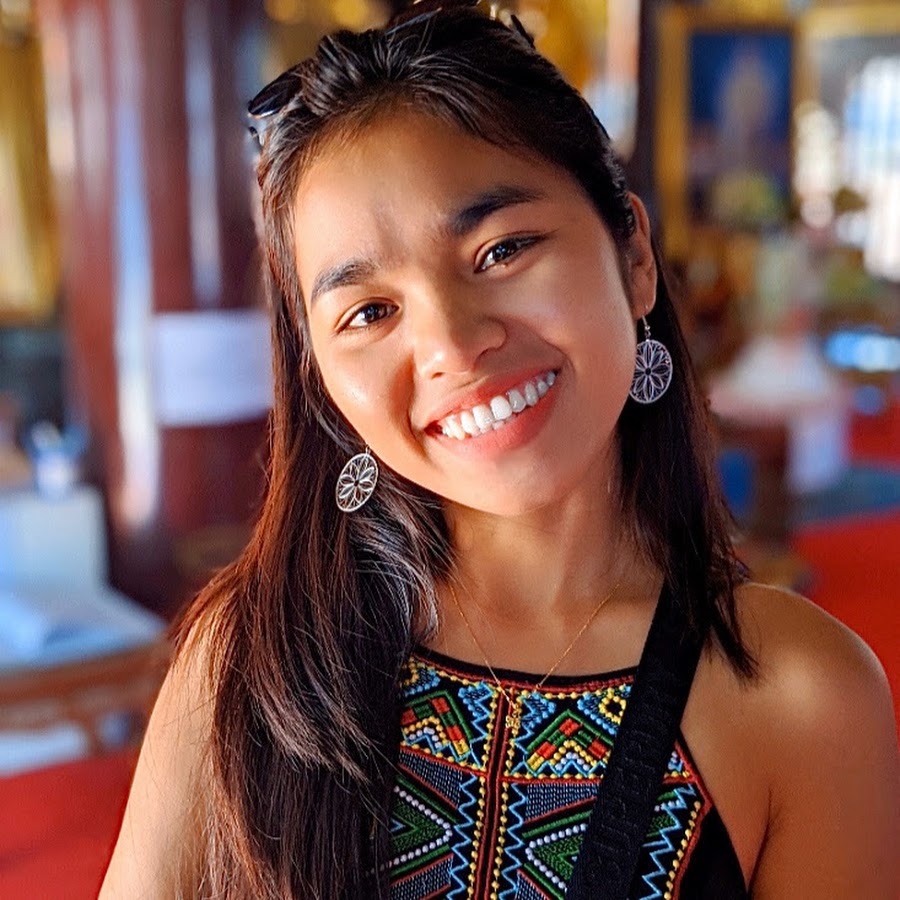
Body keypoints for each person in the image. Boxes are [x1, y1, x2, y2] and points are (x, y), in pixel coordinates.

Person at [99, 2, 899, 897]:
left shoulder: (799, 694)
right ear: (319, 372)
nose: (451, 344)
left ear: (634, 256)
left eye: (502, 250)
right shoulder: (250, 663)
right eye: (370, 312)